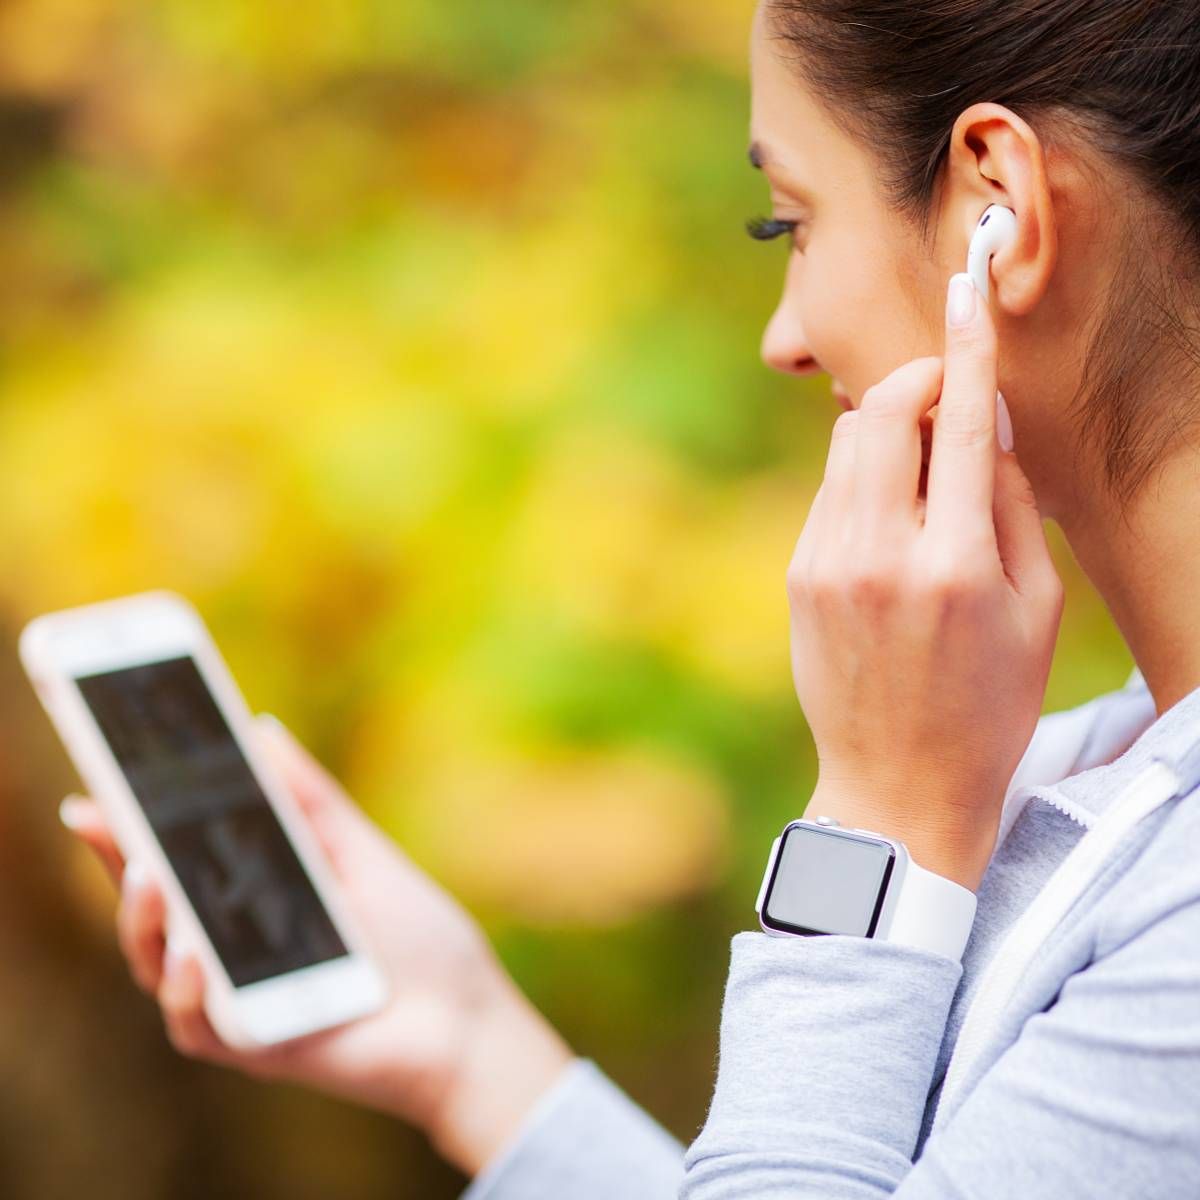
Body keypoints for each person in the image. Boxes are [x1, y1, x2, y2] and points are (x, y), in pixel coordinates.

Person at [59, 0, 1200, 1195]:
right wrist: (466, 1053)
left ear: (996, 208)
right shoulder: (1093, 778)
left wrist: (880, 823)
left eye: (790, 224)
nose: (784, 339)